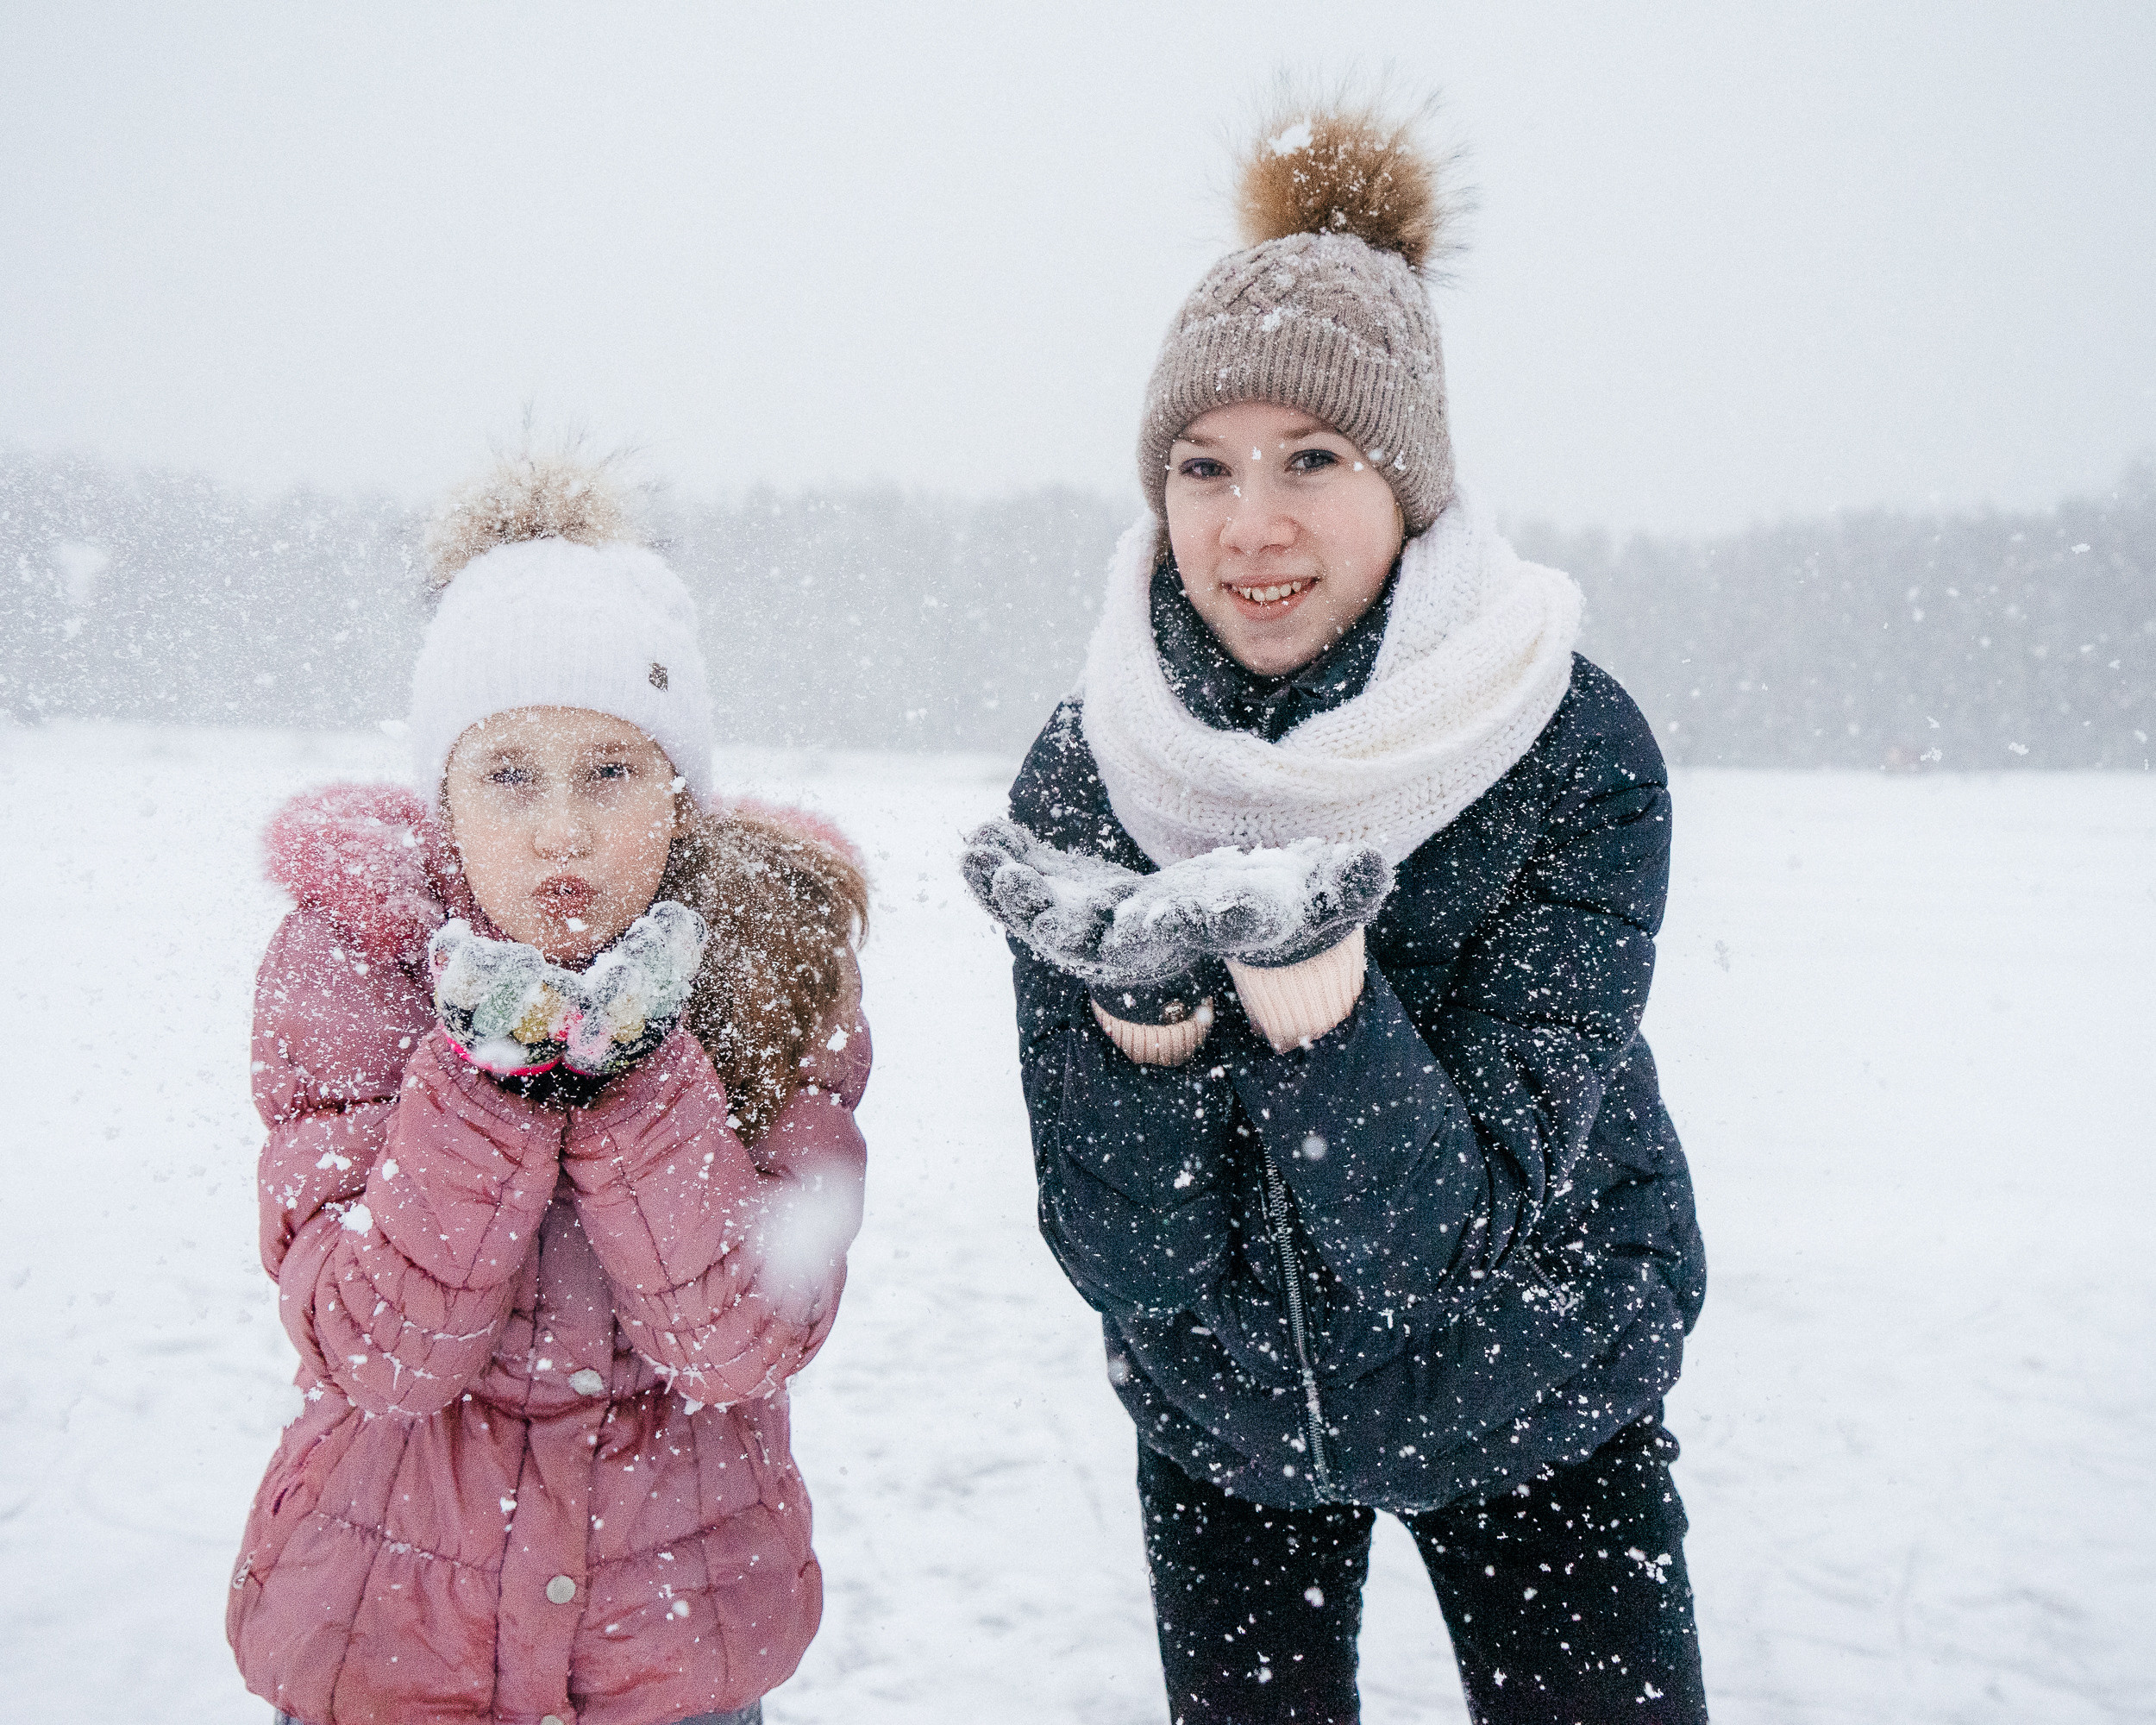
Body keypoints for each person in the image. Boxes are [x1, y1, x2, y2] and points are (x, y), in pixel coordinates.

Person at [963, 101, 1709, 1722]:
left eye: (1315, 458)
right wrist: (1142, 1028)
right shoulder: (1094, 770)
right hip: (1228, 1429)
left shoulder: (1565, 749)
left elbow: (1449, 1244)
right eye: (1203, 467)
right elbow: (1127, 1260)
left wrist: (1318, 1005)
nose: (1254, 525)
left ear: (1415, 486)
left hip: (1540, 1399)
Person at [227, 455, 872, 1725]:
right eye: (509, 773)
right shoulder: (352, 962)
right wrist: (482, 1081)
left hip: (670, 1652)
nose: (562, 829)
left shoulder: (768, 973)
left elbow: (739, 1344)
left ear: (679, 794)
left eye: (612, 771)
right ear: (444, 800)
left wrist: (635, 1079)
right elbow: (380, 1351)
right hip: (388, 1635)